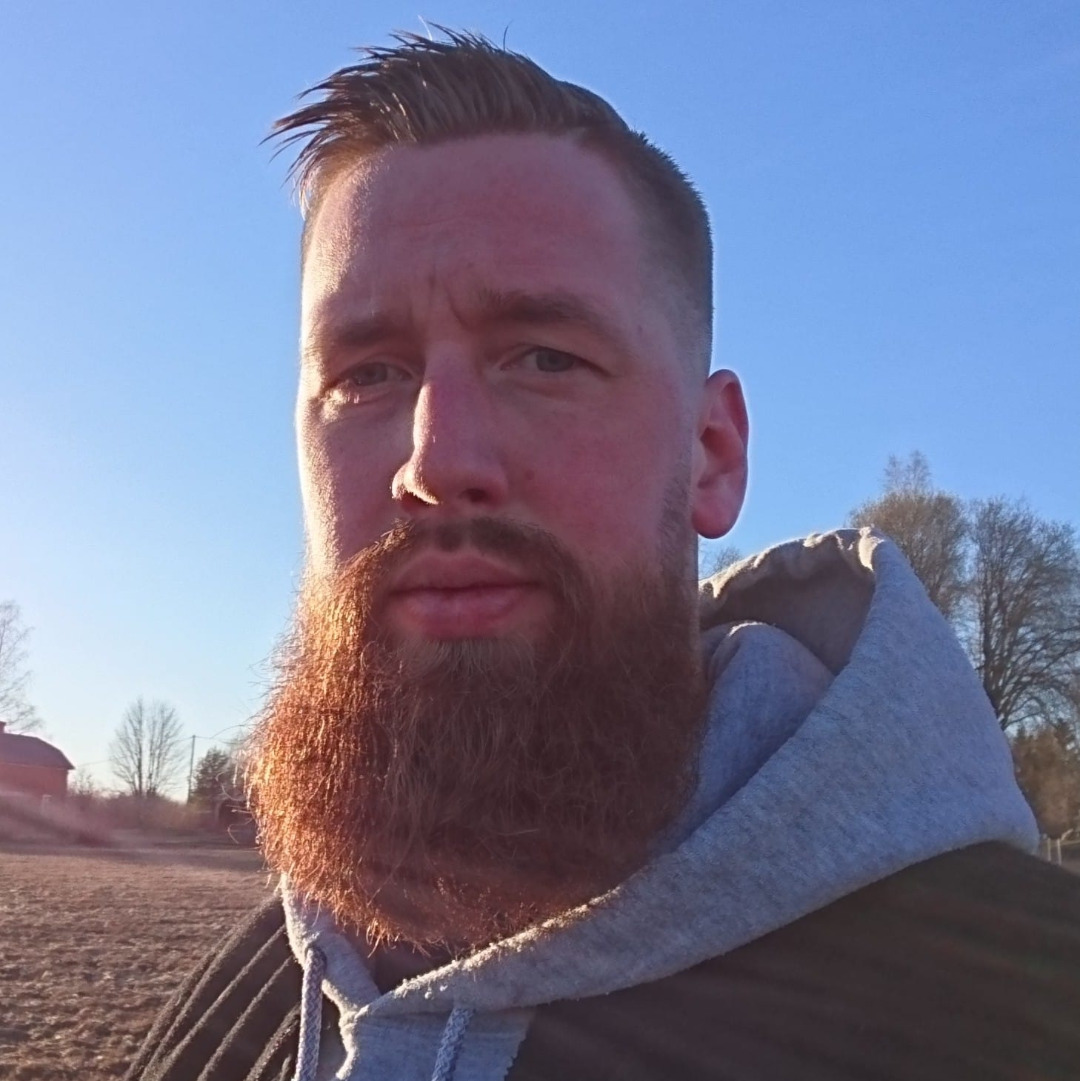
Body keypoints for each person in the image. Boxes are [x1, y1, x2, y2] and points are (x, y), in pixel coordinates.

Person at [127, 29, 1080, 1081]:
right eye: (368, 375)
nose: (437, 462)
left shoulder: (1025, 1010)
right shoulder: (254, 987)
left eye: (544, 358)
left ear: (713, 454)